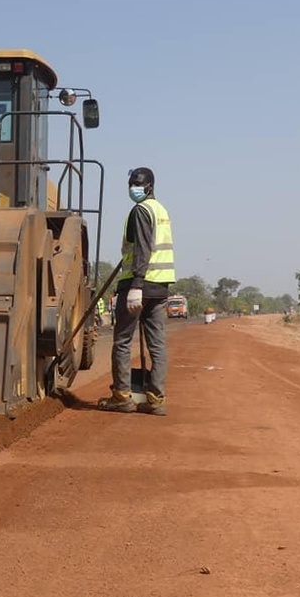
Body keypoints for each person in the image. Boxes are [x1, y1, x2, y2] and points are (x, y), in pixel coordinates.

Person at [98, 167, 175, 416]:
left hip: (139, 284)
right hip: (160, 287)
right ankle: (156, 400)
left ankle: (122, 396)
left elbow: (143, 247)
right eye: (131, 183)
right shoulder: (161, 210)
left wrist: (136, 285)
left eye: (137, 184)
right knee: (157, 344)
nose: (133, 188)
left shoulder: (141, 210)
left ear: (149, 186)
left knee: (122, 341)